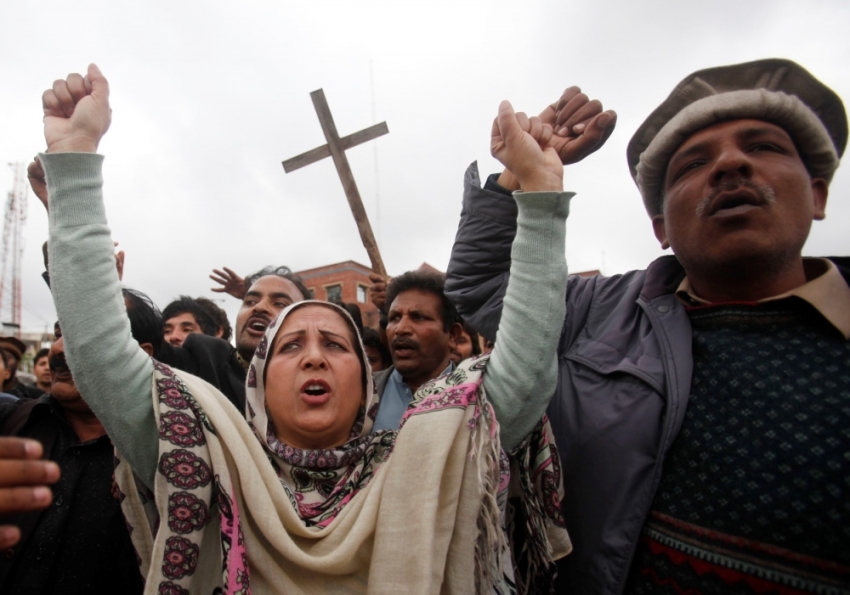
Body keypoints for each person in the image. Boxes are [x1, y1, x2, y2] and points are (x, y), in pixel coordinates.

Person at [39, 64, 580, 593]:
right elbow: (100, 356)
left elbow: (525, 371)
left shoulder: (430, 456)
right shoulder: (208, 456)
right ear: (258, 383)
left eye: (337, 345)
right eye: (290, 346)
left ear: (367, 384)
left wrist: (539, 193)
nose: (314, 357)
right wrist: (75, 161)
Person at [446, 59, 850, 594]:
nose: (731, 164)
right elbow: (481, 286)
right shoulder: (597, 312)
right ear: (660, 226)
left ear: (818, 193)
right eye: (693, 164)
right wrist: (523, 175)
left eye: (763, 147)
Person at [0, 326, 145, 593]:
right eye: (58, 334)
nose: (58, 348)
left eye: (83, 330)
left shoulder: (158, 461)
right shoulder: (10, 422)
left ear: (141, 354)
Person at [371, 270, 463, 431]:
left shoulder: (480, 397)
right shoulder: (362, 392)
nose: (400, 329)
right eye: (394, 318)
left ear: (453, 336)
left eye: (418, 317)